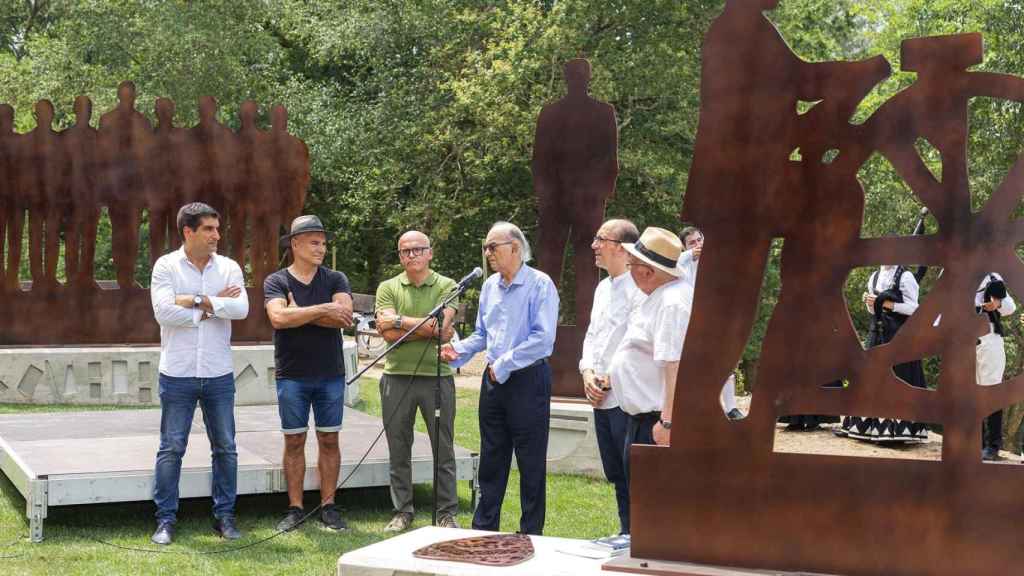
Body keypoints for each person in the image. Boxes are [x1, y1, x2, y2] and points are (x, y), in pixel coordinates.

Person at [440, 221, 559, 535]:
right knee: (492, 456)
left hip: (527, 379)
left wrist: (505, 363)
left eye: (494, 246)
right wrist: (458, 351)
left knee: (531, 461)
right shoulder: (491, 286)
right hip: (494, 383)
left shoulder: (540, 284)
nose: (487, 252)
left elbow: (543, 339)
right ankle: (484, 527)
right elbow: (483, 334)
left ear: (515, 248)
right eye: (486, 247)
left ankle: (531, 532)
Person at [149, 202, 249, 545]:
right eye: (208, 229)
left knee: (226, 447)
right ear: (188, 232)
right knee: (171, 447)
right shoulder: (166, 266)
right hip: (177, 373)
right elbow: (163, 313)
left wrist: (194, 301)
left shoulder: (230, 267)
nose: (216, 236)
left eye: (217, 229)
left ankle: (225, 517)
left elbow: (241, 308)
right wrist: (213, 304)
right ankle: (165, 520)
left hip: (218, 372)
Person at [265, 215, 354, 532]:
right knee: (294, 441)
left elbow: (345, 317)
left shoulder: (335, 279)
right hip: (292, 374)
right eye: (315, 242)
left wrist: (299, 312)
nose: (321, 248)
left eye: (324, 243)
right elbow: (277, 318)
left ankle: (328, 506)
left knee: (329, 439)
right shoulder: (277, 281)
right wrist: (323, 309)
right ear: (295, 244)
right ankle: (295, 508)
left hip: (330, 374)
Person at [606, 227, 692, 531]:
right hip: (642, 418)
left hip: (657, 421)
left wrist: (667, 422)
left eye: (631, 266)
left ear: (645, 271)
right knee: (642, 504)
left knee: (657, 510)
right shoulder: (659, 295)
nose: (629, 272)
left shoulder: (672, 303)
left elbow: (675, 365)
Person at [375, 231, 460, 531]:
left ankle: (446, 512)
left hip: (436, 378)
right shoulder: (388, 287)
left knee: (443, 447)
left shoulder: (447, 285)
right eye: (405, 251)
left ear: (430, 253)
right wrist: (426, 325)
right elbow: (386, 334)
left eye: (417, 250)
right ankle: (402, 511)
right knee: (399, 447)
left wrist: (399, 321)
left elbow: (443, 328)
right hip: (395, 377)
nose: (411, 255)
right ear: (399, 256)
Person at [579, 219, 642, 535]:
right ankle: (625, 532)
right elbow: (593, 336)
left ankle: (639, 537)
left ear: (621, 247)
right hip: (598, 394)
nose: (594, 245)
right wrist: (588, 372)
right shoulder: (603, 288)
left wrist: (608, 380)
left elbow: (634, 343)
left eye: (599, 239)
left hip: (624, 397)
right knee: (615, 471)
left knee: (632, 471)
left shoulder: (639, 287)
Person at [837, 265, 928, 442]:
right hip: (876, 331)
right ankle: (864, 428)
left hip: (899, 335)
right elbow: (873, 311)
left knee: (897, 377)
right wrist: (871, 304)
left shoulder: (906, 276)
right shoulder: (874, 276)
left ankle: (898, 431)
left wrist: (887, 304)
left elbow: (915, 309)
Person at [677, 226, 743, 420]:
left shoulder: (719, 259)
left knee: (726, 361)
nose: (698, 245)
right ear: (684, 248)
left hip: (717, 317)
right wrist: (690, 255)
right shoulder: (683, 263)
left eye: (700, 240)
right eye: (692, 242)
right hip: (690, 318)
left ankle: (731, 408)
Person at [976, 273, 1016, 460]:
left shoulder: (992, 276)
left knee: (991, 390)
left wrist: (997, 304)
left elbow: (1010, 307)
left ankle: (992, 445)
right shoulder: (954, 272)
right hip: (961, 338)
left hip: (988, 338)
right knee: (969, 392)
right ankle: (975, 442)